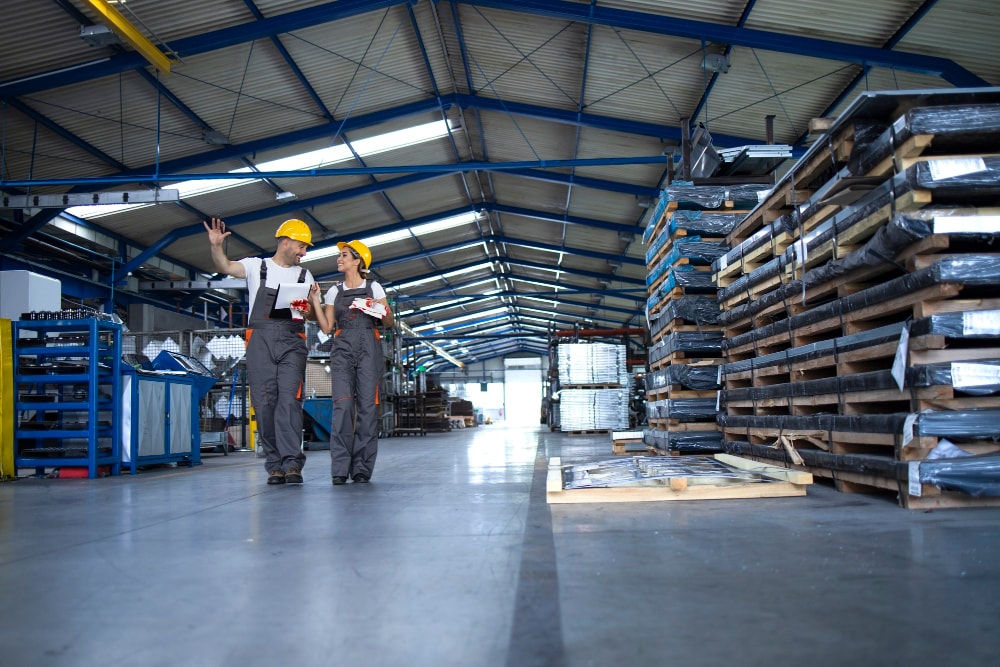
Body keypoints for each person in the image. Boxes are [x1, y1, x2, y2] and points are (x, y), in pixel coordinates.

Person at [204, 217, 317, 486]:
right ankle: (275, 465)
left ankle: (292, 464)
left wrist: (305, 308)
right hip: (260, 341)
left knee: (289, 403)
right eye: (302, 246)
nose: (304, 252)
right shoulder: (257, 266)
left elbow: (310, 314)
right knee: (265, 404)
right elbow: (225, 265)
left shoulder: (305, 275)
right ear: (286, 242)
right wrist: (216, 246)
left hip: (292, 341)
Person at [309, 240, 394, 485]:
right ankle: (339, 469)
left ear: (358, 261)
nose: (339, 259)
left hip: (369, 347)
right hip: (343, 349)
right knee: (343, 408)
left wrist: (381, 309)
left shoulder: (374, 287)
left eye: (344, 255)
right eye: (339, 256)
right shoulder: (334, 291)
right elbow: (326, 327)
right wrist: (315, 299)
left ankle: (361, 469)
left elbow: (390, 323)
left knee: (367, 409)